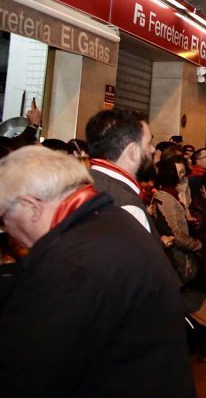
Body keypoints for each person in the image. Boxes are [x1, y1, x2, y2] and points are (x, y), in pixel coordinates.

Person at [0, 146, 194, 397]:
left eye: (4, 220)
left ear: (31, 206)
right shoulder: (113, 221)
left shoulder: (70, 260)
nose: (8, 232)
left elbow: (24, 373)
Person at [85, 107, 157, 235]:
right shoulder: (129, 208)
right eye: (148, 143)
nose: (152, 149)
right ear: (133, 152)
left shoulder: (82, 184)